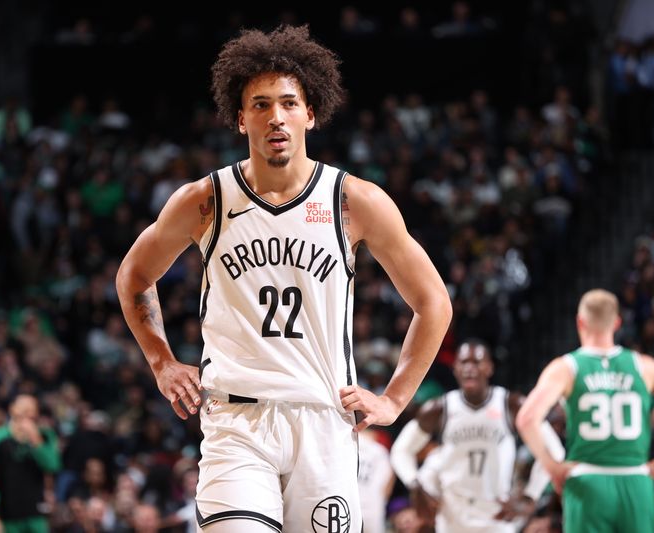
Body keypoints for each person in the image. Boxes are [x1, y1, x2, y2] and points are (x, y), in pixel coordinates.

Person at [116, 24, 452, 533]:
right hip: (236, 421)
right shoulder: (205, 201)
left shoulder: (352, 201)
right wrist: (162, 363)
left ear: (310, 114)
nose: (276, 116)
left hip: (323, 421)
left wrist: (394, 399)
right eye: (260, 104)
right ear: (239, 117)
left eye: (289, 103)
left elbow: (434, 303)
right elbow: (135, 275)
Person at [516, 289, 654, 533]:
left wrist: (553, 467)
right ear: (617, 323)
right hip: (635, 480)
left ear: (580, 322)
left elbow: (527, 418)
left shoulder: (566, 367)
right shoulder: (643, 366)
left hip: (587, 480)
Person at [390, 340, 562, 532]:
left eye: (476, 362)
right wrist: (414, 484)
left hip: (497, 516)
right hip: (452, 516)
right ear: (455, 368)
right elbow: (401, 450)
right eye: (464, 362)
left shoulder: (511, 405)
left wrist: (531, 495)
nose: (469, 368)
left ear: (489, 368)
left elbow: (554, 449)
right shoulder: (439, 409)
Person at [0, 394, 61, 533]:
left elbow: (53, 465)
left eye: (32, 409)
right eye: (24, 408)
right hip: (7, 518)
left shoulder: (45, 435)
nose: (28, 413)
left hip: (36, 517)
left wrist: (36, 441)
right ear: (12, 409)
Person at [357, 429, 395, 533]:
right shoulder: (380, 452)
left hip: (342, 509)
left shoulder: (342, 445)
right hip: (372, 512)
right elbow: (387, 489)